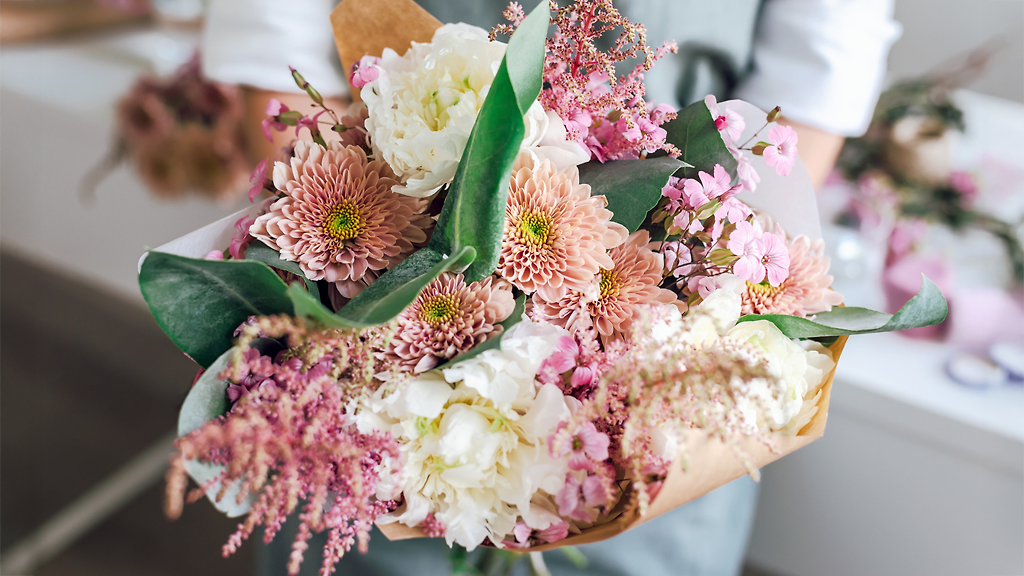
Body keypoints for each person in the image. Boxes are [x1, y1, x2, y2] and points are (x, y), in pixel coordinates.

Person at [200, 1, 902, 574]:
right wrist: (353, 237)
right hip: (380, 294)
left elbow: (821, 62)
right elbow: (273, 33)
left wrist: (719, 264)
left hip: (669, 343)